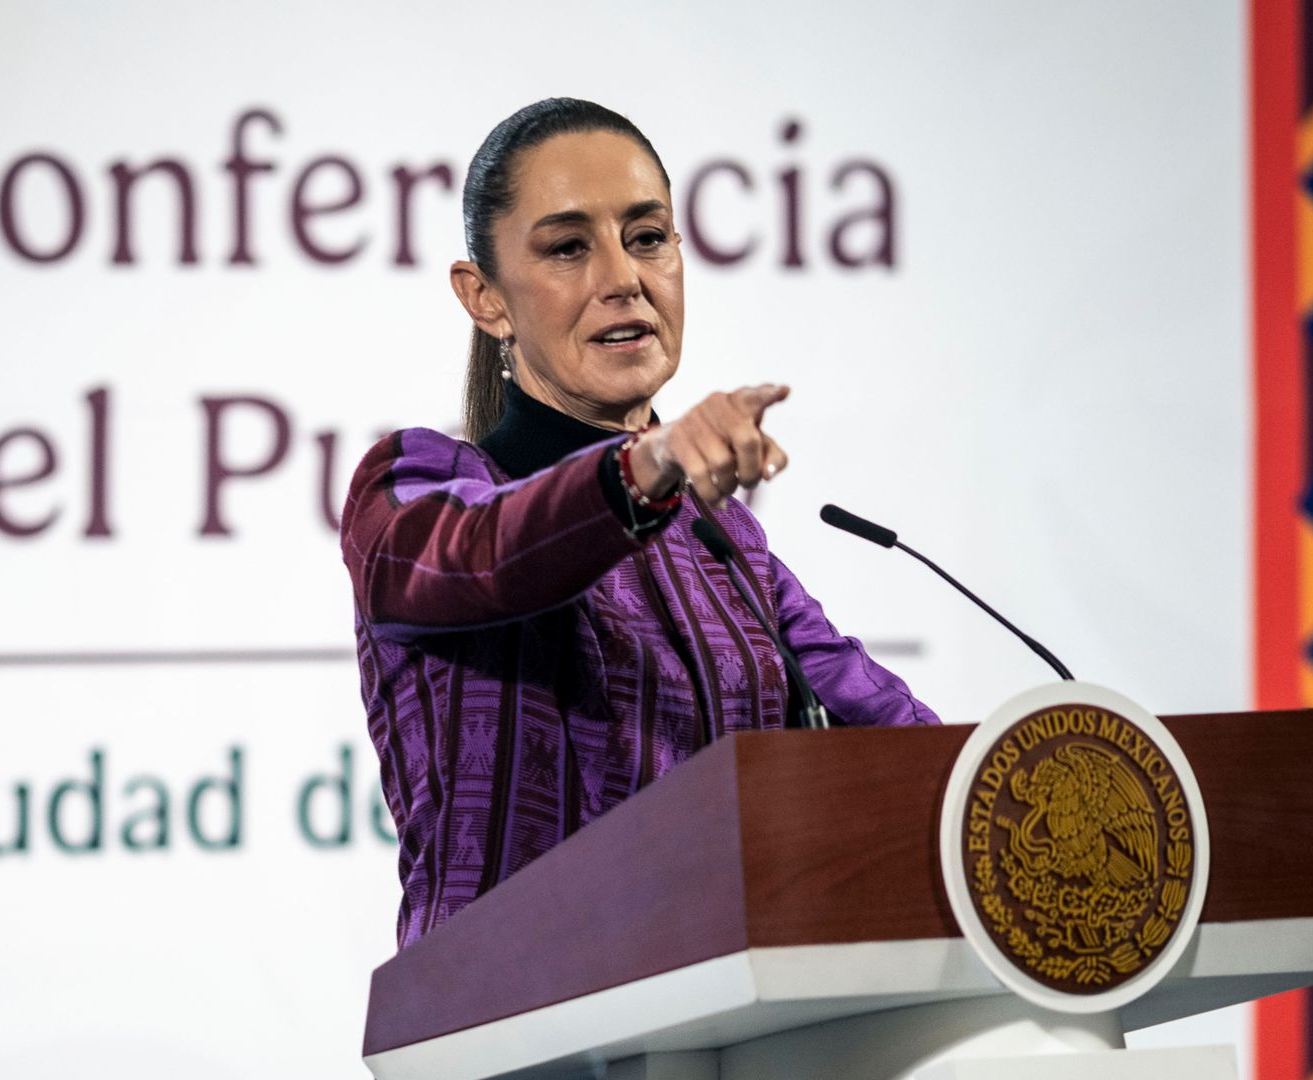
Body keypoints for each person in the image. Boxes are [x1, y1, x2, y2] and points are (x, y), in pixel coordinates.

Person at [340, 98, 937, 947]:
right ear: (486, 298)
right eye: (568, 247)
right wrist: (646, 465)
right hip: (512, 1010)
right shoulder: (417, 484)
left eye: (647, 237)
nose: (623, 277)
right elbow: (484, 558)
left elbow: (903, 749)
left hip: (725, 1001)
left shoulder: (727, 543)